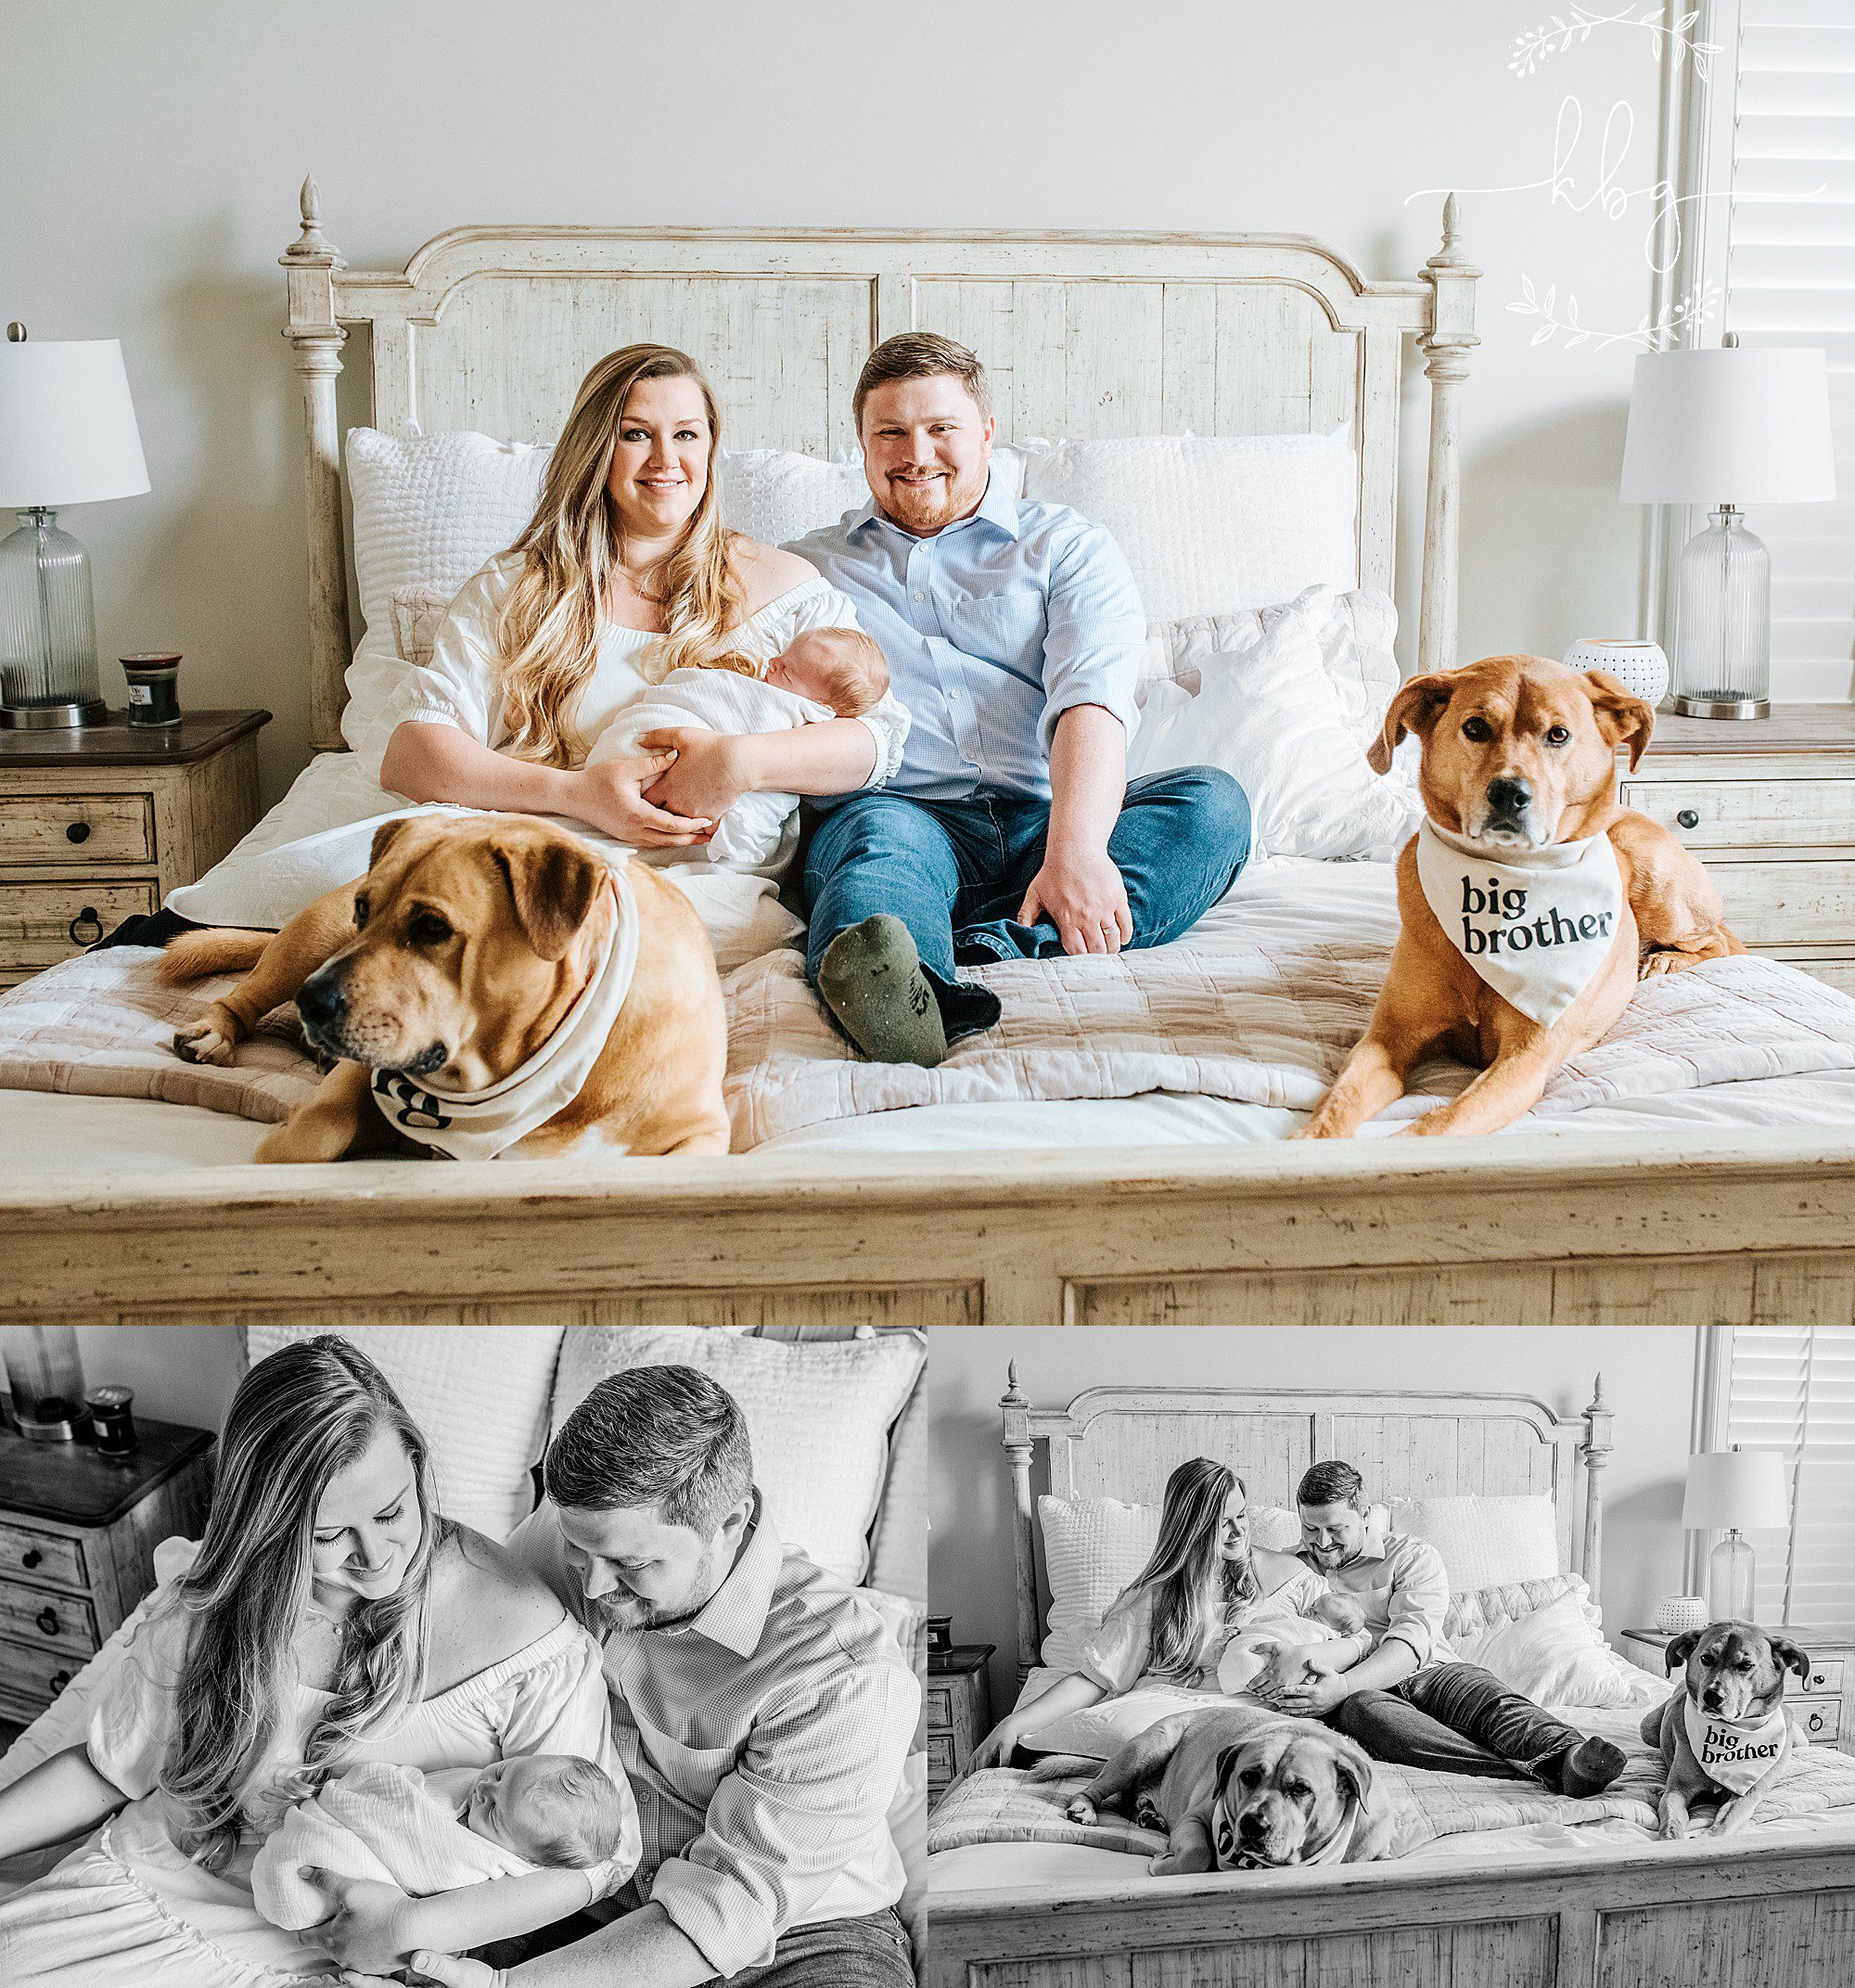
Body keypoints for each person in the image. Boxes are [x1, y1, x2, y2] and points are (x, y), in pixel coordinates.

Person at [160, 344, 898, 943]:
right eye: (634, 433)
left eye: (687, 434)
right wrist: (576, 794)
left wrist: (740, 762)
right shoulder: (521, 587)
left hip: (695, 880)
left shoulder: (780, 585)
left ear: (711, 448)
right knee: (380, 888)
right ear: (594, 449)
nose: (664, 459)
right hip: (528, 841)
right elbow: (415, 750)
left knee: (607, 933)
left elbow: (879, 739)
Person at [0, 1335, 622, 1985]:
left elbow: (595, 1862)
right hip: (152, 1884)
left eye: (392, 1510)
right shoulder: (224, 1601)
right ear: (267, 1523)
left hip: (335, 1948)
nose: (376, 1554)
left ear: (416, 1465)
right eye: (328, 1535)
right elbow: (111, 1767)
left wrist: (417, 1928)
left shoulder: (525, 1634)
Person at [312, 1364, 920, 1988]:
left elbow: (725, 1912)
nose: (594, 1587)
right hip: (585, 1904)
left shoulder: (845, 1674)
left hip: (804, 1936)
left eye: (632, 1564)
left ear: (731, 1524)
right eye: (580, 1550)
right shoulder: (568, 1537)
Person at [787, 333, 1253, 1068]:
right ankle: (905, 988)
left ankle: (976, 954)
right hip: (905, 814)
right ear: (862, 444)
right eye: (892, 432)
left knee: (1213, 806)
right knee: (872, 857)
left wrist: (1076, 851)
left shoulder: (1067, 547)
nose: (918, 452)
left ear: (987, 434)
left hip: (1049, 815)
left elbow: (1090, 701)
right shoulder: (807, 570)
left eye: (942, 428)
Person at [1260, 1460, 1628, 1795]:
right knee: (1369, 1718)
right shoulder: (1287, 1569)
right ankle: (1522, 1773)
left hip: (1430, 1670)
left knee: (1488, 1700)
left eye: (1336, 1529)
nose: (1322, 1542)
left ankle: (1572, 1756)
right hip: (1355, 1693)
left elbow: (1410, 1644)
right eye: (1310, 1528)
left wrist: (1343, 1685)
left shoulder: (1410, 1555)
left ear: (1365, 1514)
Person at [970, 1457, 1328, 1770]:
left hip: (1256, 1720)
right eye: (1222, 1522)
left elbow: (1347, 1643)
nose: (1238, 1531)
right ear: (1191, 1528)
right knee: (1115, 1734)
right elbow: (1095, 1678)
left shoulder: (1293, 1579)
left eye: (1242, 1514)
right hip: (1170, 1713)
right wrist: (1013, 1724)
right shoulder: (1155, 1598)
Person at [586, 624, 902, 871]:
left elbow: (772, 800)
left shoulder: (798, 726)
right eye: (783, 656)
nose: (774, 663)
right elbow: (698, 690)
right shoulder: (756, 682)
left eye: (788, 672)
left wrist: (739, 830)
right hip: (640, 749)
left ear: (820, 708)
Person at [253, 1753, 634, 1934]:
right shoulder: (479, 1788)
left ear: (523, 1860)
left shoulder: (482, 1863)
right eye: (503, 1771)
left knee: (298, 1895)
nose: (484, 1787)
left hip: (347, 1863)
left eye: (494, 1812)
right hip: (331, 1825)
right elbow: (399, 1785)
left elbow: (423, 1865)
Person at [1215, 1589, 1367, 1696]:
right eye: (1313, 1605)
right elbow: (1271, 1625)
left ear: (1335, 1633)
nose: (1308, 1610)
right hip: (1253, 1646)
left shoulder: (1326, 1638)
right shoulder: (1297, 1615)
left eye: (1317, 1615)